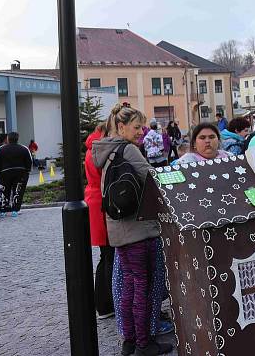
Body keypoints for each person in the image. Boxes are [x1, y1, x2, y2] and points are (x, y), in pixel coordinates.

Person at [92, 104, 172, 356]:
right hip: (138, 229)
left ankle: (129, 341)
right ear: (121, 126)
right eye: (137, 127)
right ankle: (144, 343)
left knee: (128, 287)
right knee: (142, 288)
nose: (141, 132)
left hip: (119, 230)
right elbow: (152, 178)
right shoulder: (128, 149)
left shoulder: (106, 151)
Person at [84, 123, 115, 319]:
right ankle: (108, 303)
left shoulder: (93, 147)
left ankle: (103, 305)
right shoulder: (100, 149)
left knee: (106, 257)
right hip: (102, 203)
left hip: (95, 201)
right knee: (110, 256)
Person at [0, 132, 33, 217]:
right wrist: (27, 171)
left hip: (4, 173)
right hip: (20, 173)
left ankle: (3, 210)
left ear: (8, 139)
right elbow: (29, 161)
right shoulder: (24, 148)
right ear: (17, 139)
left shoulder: (1, 149)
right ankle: (15, 210)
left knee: (4, 191)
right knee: (18, 191)